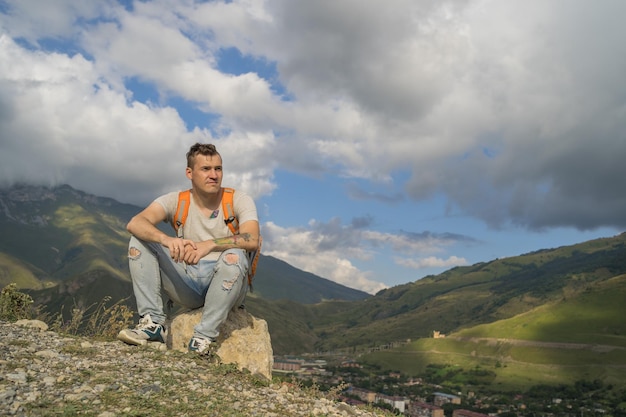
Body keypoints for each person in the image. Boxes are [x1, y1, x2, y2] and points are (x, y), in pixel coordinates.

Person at [117, 143, 260, 355]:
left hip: (227, 283)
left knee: (234, 255)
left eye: (218, 169)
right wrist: (166, 239)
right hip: (188, 281)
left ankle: (203, 338)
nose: (213, 175)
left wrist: (209, 244)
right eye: (206, 169)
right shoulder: (176, 200)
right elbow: (135, 223)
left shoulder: (238, 199)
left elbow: (252, 237)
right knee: (139, 240)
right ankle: (153, 325)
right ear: (189, 173)